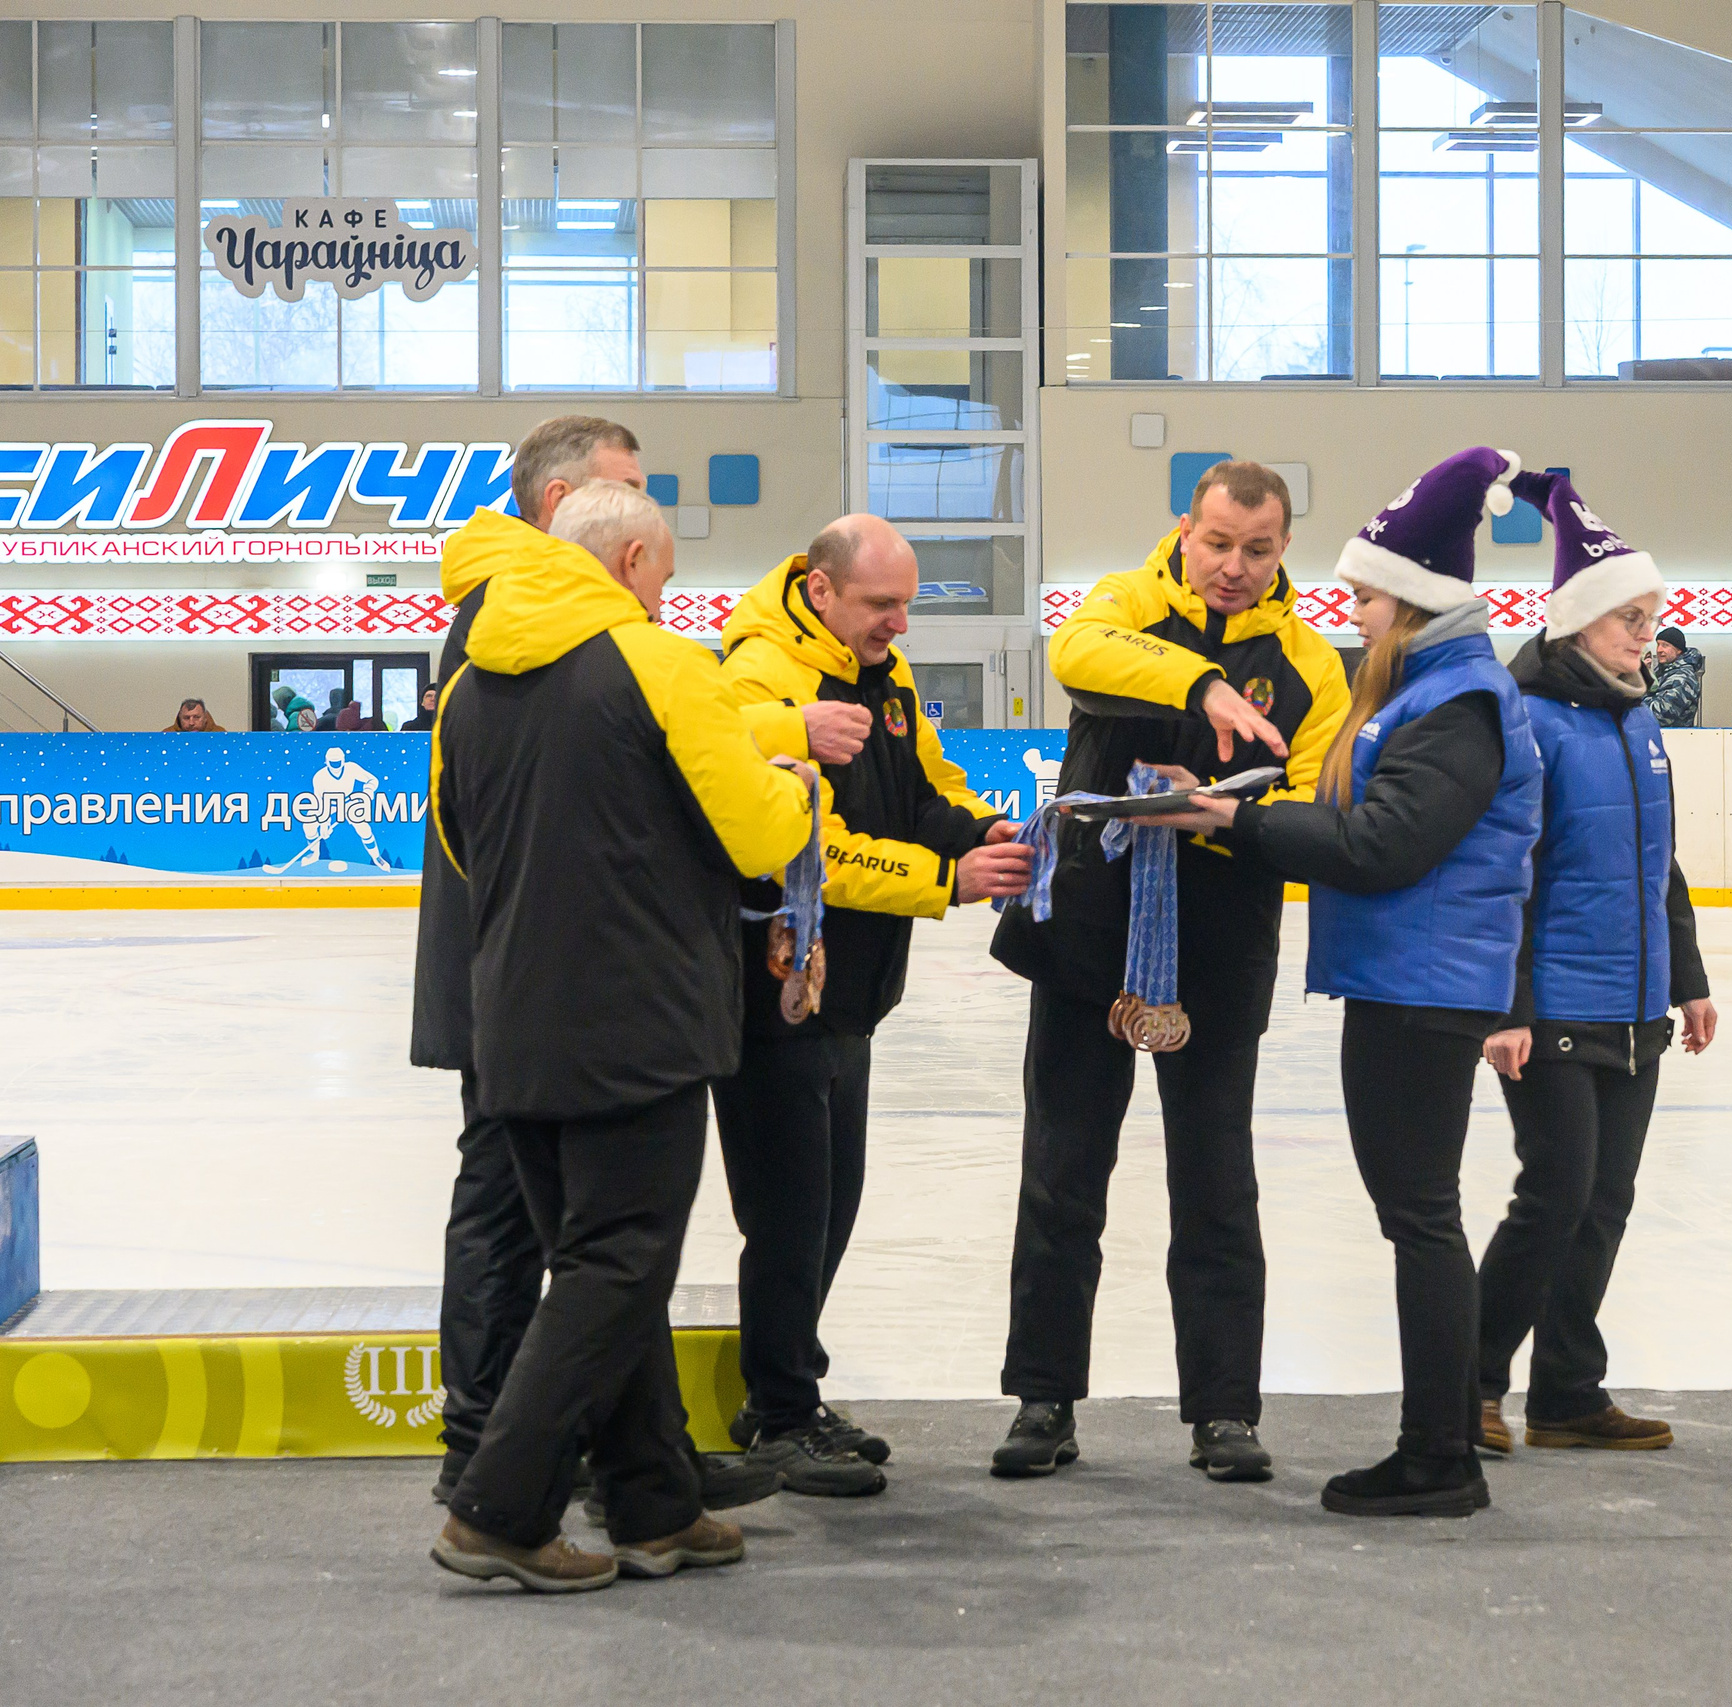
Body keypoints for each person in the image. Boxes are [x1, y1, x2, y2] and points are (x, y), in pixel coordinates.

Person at [411, 415, 849, 1513]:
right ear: (570, 510)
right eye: (633, 492)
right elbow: (731, 822)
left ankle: (643, 1482)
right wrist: (793, 772)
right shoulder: (640, 655)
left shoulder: (481, 651)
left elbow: (466, 825)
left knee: (589, 1243)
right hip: (615, 1001)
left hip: (513, 982)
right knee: (600, 1252)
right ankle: (498, 1477)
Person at [1162, 447, 1541, 1518]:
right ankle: (1438, 1441)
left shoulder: (1457, 702)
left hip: (1423, 983)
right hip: (1406, 974)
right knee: (1417, 1215)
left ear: (1414, 599)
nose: (1357, 615)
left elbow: (1384, 846)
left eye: (1369, 598)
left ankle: (1439, 1454)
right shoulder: (1429, 689)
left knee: (1420, 1217)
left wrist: (1239, 817)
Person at [986, 458, 1350, 1484]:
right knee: (1061, 1178)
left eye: (1259, 550)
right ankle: (1043, 1399)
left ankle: (1225, 1412)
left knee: (1217, 1186)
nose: (1235, 567)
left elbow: (1314, 810)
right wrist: (1204, 686)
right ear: (1186, 531)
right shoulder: (1123, 603)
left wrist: (1227, 810)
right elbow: (1080, 654)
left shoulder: (1310, 660)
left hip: (1220, 949)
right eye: (1219, 543)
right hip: (1087, 943)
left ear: (1284, 550)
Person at [713, 519, 1034, 1496]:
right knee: (789, 1210)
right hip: (776, 992)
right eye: (879, 606)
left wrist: (985, 827)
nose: (899, 622)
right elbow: (808, 848)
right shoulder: (762, 678)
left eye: (906, 604)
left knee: (829, 1206)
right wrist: (947, 878)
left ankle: (785, 1390)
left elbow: (923, 787)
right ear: (820, 591)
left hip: (848, 999)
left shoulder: (879, 677)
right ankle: (778, 1413)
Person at [1471, 474, 1715, 1459]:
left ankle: (1568, 1393)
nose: (1644, 639)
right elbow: (1504, 873)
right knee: (1555, 1197)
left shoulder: (1639, 724)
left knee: (1602, 1207)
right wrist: (1509, 1002)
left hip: (1635, 1009)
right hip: (1556, 1006)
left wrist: (1687, 979)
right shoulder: (1527, 722)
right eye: (1627, 621)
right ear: (1574, 627)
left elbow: (1662, 865)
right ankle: (1471, 1384)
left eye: (1650, 621)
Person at [1644, 627, 1702, 729]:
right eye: (1658, 644)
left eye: (1665, 645)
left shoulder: (1682, 678)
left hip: (1675, 740)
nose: (1659, 650)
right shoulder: (1663, 673)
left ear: (1678, 650)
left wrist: (1634, 698)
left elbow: (1660, 715)